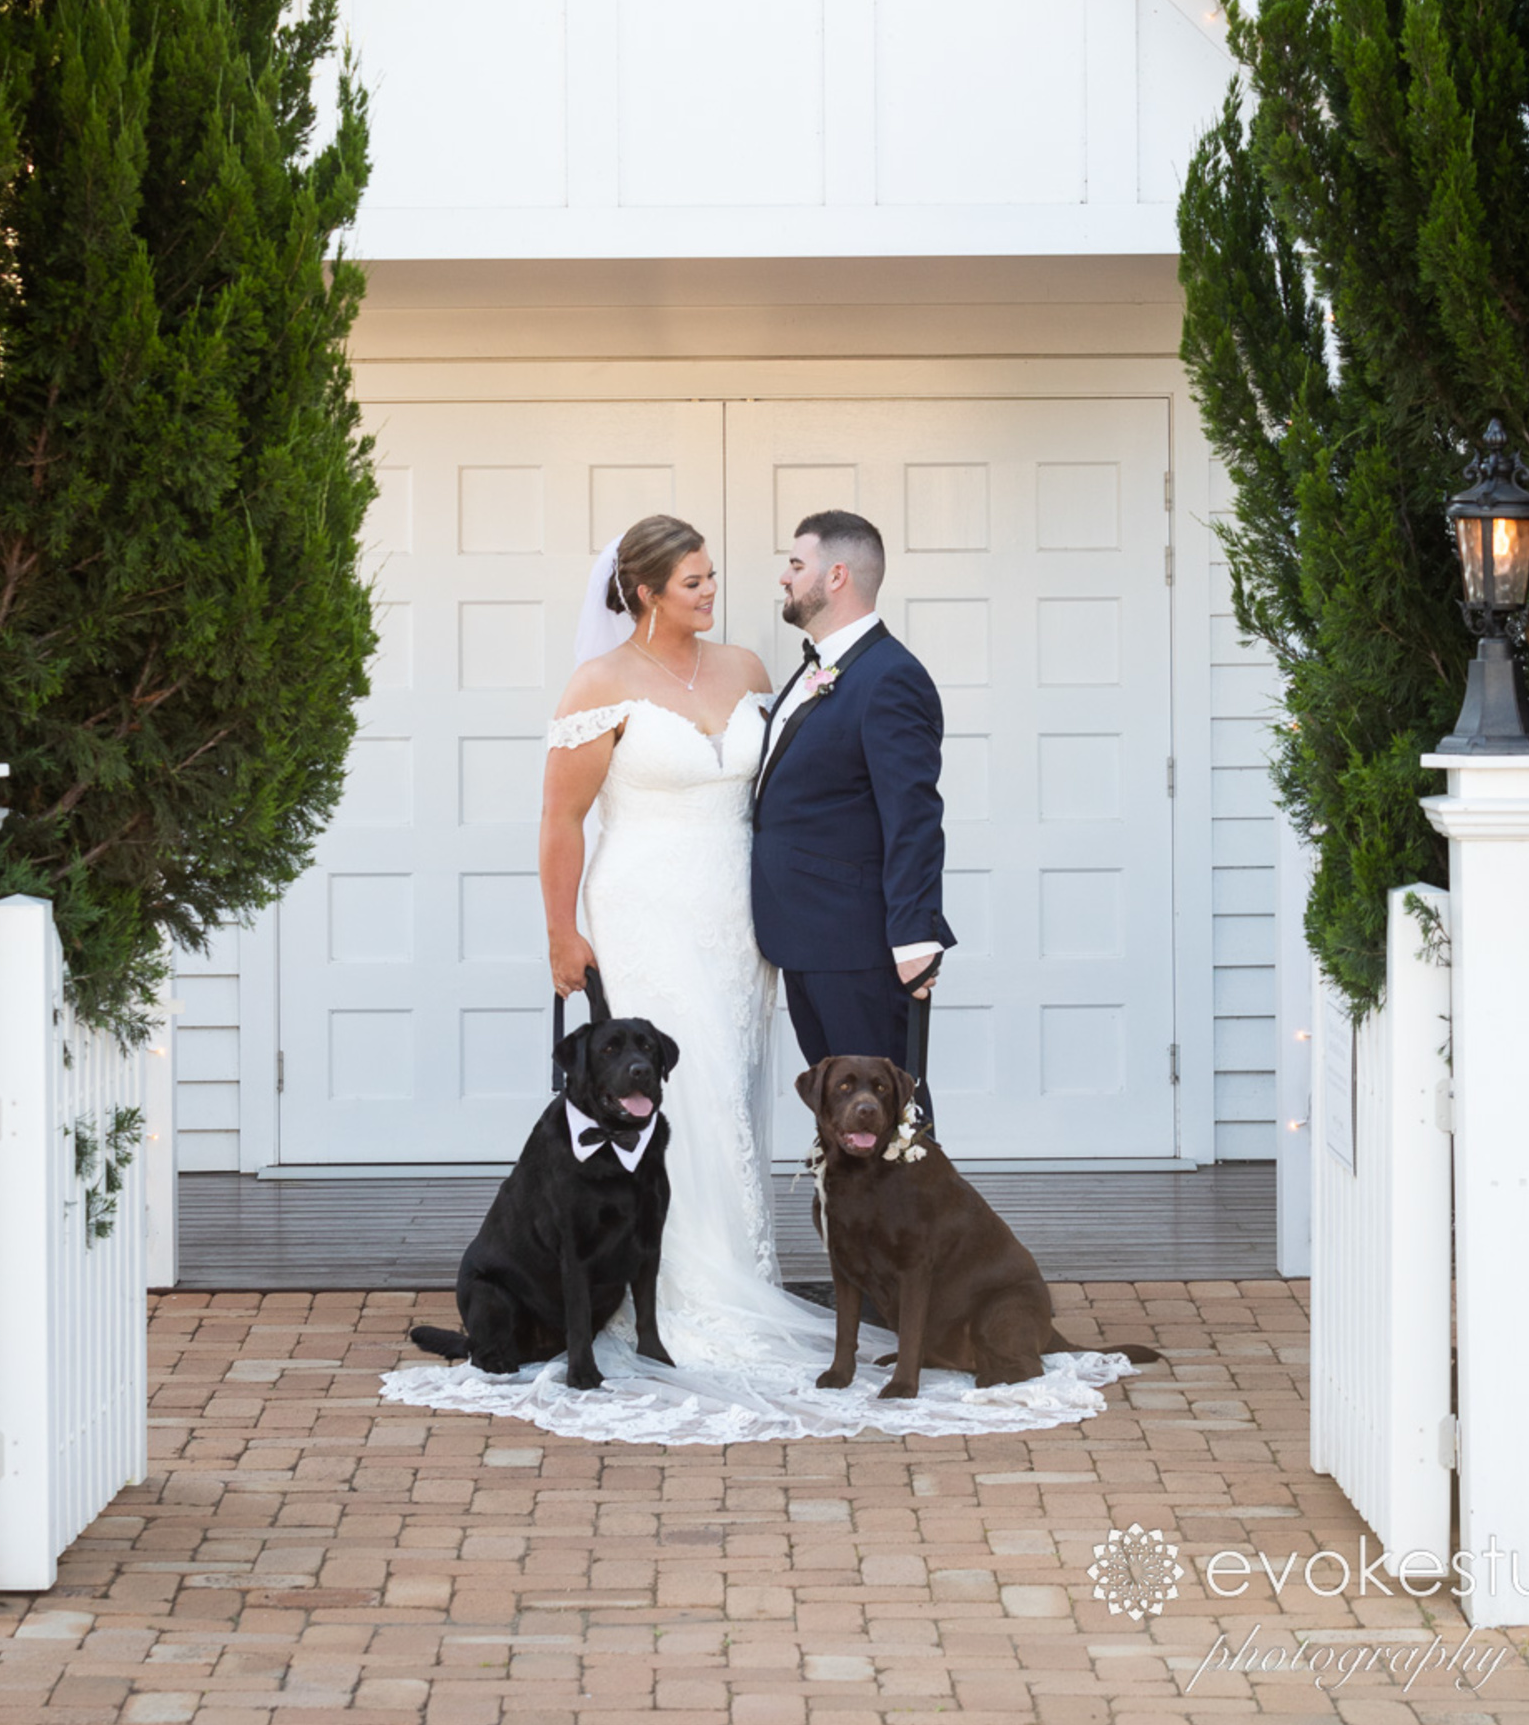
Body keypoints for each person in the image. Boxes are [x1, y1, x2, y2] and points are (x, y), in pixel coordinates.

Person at [379, 512, 1132, 1445]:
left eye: (714, 576)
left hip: (741, 932)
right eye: (693, 580)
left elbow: (824, 797)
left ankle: (740, 1276)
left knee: (730, 1107)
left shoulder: (753, 672)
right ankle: (668, 1302)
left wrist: (902, 923)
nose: (713, 590)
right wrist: (559, 931)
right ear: (646, 591)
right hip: (644, 913)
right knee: (667, 1111)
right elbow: (560, 821)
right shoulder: (599, 683)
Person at [750, 511, 954, 1117]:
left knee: (887, 1118)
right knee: (843, 1124)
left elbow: (913, 813)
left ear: (836, 575)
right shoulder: (820, 668)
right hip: (807, 938)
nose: (784, 578)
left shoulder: (890, 677)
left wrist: (916, 934)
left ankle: (908, 1216)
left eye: (795, 564)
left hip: (859, 945)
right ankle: (851, 1217)